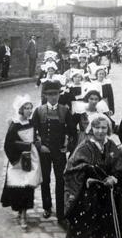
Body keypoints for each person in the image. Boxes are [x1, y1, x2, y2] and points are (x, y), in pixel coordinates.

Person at [64, 113, 122, 238]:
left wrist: (113, 177)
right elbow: (71, 169)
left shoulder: (111, 145)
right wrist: (88, 170)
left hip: (107, 194)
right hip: (88, 196)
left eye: (104, 128)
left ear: (108, 129)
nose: (100, 131)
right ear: (91, 128)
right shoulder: (84, 146)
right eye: (97, 127)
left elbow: (118, 166)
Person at [32, 80, 77, 226]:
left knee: (61, 181)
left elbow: (73, 132)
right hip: (44, 151)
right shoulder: (39, 111)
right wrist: (40, 146)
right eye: (50, 94)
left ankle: (61, 213)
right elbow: (32, 132)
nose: (53, 97)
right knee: (45, 179)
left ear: (59, 94)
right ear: (45, 95)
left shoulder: (65, 110)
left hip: (59, 152)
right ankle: (46, 207)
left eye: (56, 94)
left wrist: (68, 147)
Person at [0, 94, 42, 229]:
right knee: (19, 186)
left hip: (31, 158)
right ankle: (20, 212)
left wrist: (36, 143)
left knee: (28, 186)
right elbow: (8, 145)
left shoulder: (31, 123)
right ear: (21, 110)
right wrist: (15, 160)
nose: (30, 111)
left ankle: (24, 214)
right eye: (27, 108)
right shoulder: (15, 125)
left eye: (31, 108)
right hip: (18, 161)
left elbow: (34, 138)